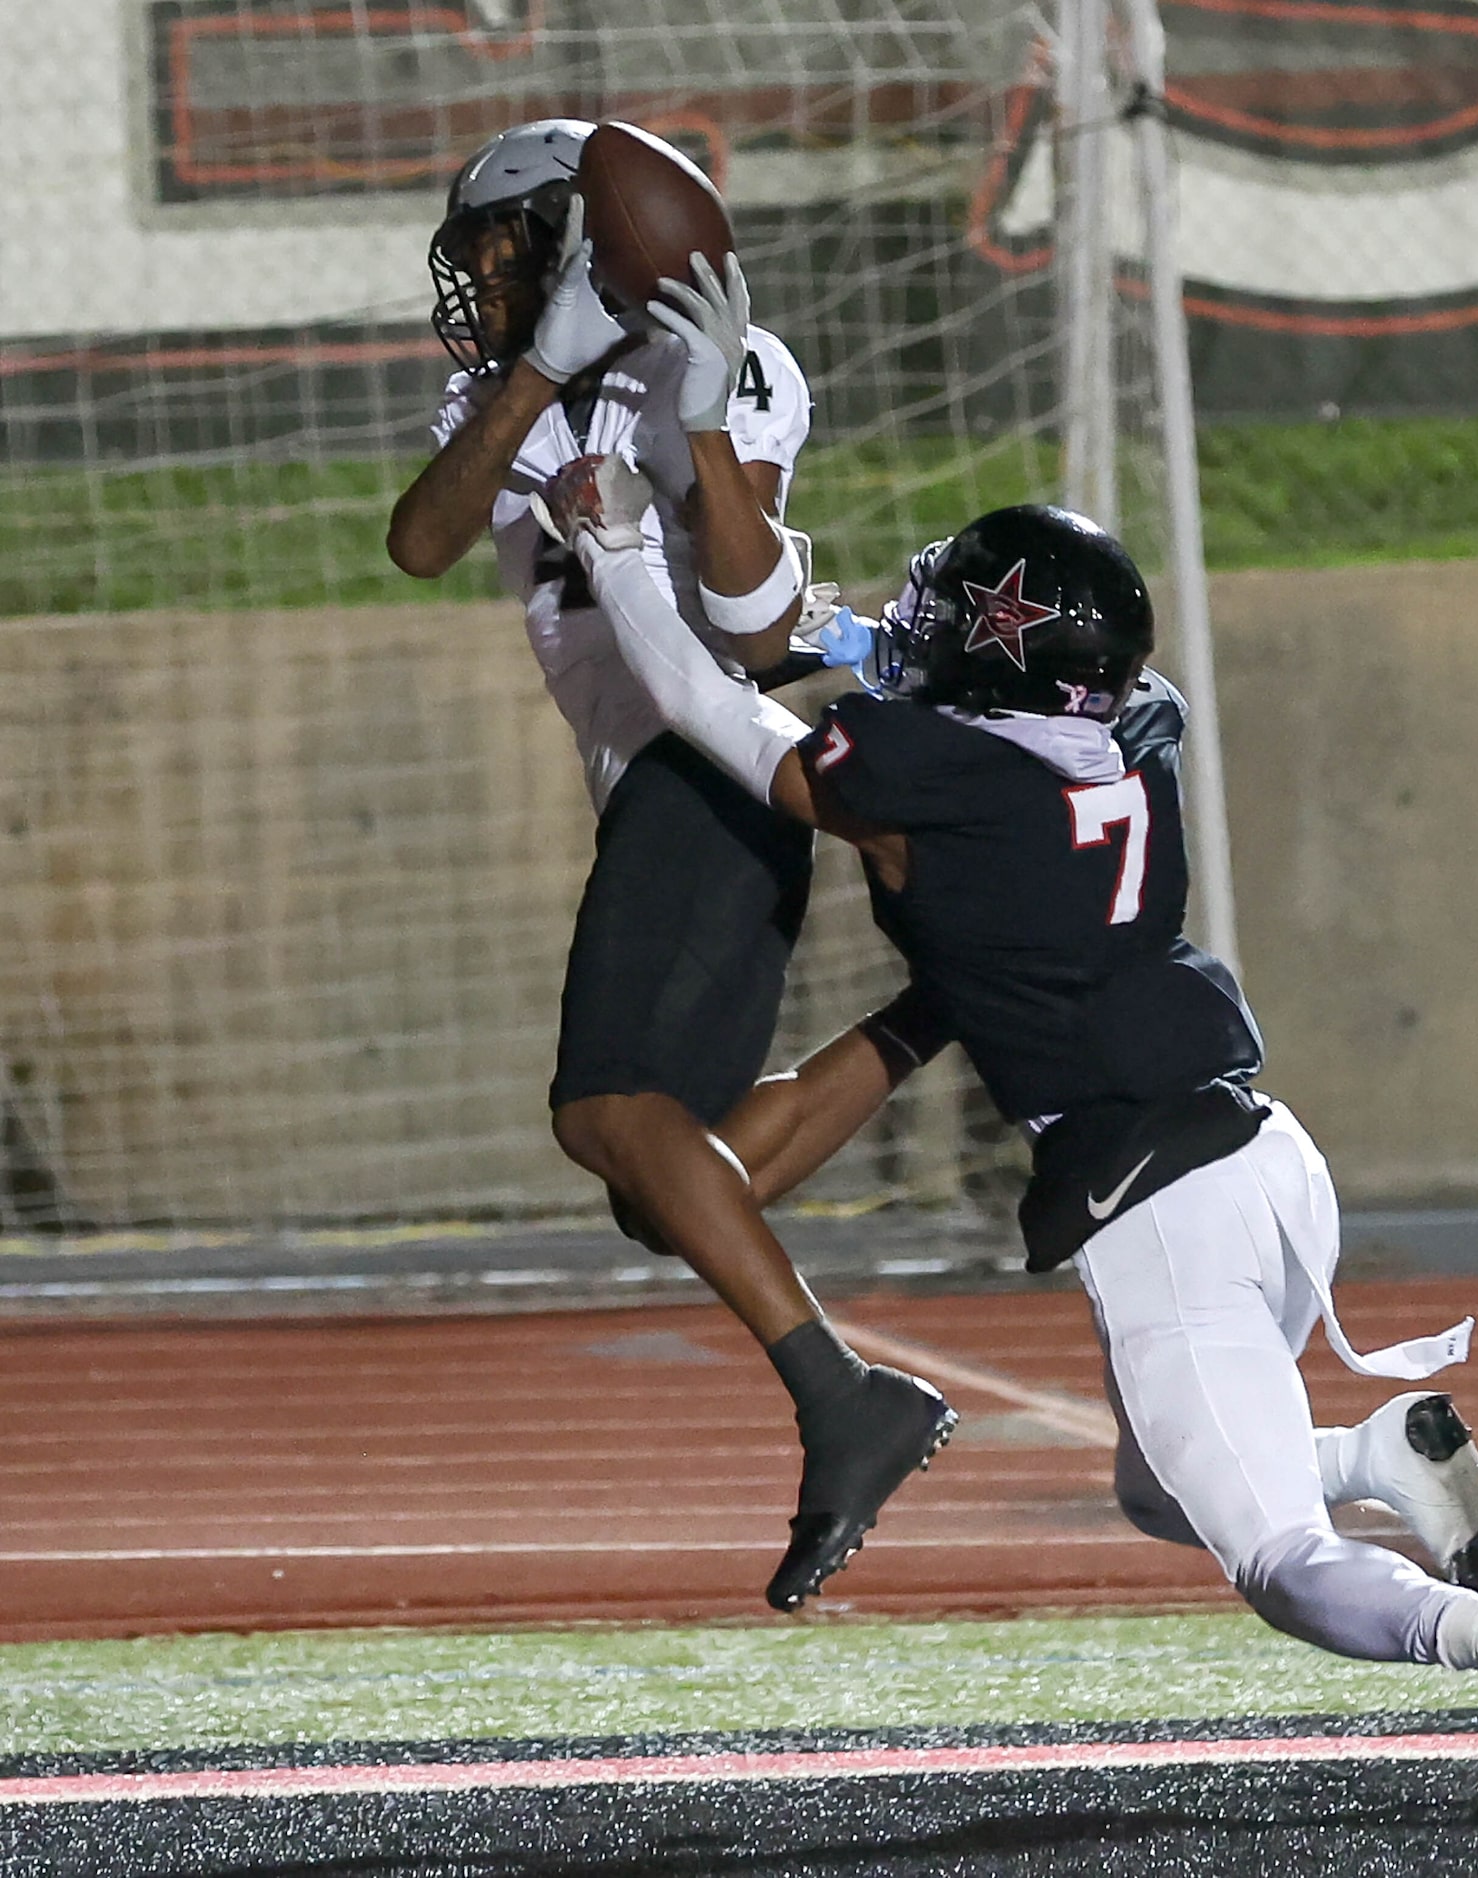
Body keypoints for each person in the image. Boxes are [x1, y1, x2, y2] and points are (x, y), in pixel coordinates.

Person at [531, 454, 1478, 1816]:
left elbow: (705, 708)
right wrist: (850, 633)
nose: (924, 616)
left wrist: (618, 550)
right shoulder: (1130, 725)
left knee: (1274, 1559)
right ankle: (1383, 1453)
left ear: (999, 648)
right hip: (1265, 1153)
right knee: (1160, 1487)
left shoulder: (936, 780)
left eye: (958, 602)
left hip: (1158, 1201)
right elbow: (947, 692)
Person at [385, 120, 956, 1610]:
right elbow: (420, 539)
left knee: (601, 1112)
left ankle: (841, 1394)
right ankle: (937, 1007)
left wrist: (695, 418)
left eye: (495, 244)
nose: (476, 276)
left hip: (710, 767)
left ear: (558, 233)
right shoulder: (492, 391)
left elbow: (763, 620)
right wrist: (540, 365)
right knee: (667, 1179)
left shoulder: (736, 362)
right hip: (656, 790)